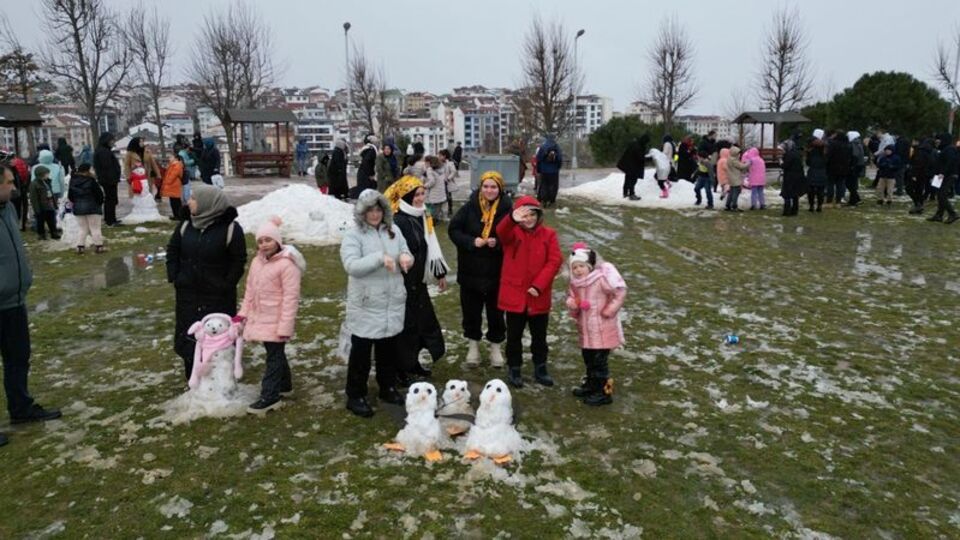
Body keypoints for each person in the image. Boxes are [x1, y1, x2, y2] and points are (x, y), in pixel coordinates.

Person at [0, 163, 62, 447]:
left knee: (18, 357)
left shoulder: (8, 210)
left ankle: (21, 408)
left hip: (14, 301)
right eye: (8, 182)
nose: (13, 187)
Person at [340, 189, 413, 417]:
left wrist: (405, 259)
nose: (375, 214)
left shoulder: (394, 230)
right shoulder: (354, 235)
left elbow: (405, 251)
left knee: (388, 348)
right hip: (366, 303)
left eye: (378, 209)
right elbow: (351, 266)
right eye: (370, 210)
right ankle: (355, 394)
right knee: (361, 350)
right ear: (362, 213)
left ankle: (387, 387)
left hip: (391, 301)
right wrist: (379, 259)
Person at [166, 184, 247, 381]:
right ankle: (192, 378)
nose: (189, 202)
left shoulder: (230, 229)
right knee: (190, 334)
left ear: (207, 204)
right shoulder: (186, 225)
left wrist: (226, 284)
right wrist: (175, 277)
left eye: (193, 198)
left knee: (218, 336)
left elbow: (238, 260)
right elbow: (173, 250)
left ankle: (220, 380)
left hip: (217, 295)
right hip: (188, 293)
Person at [235, 216, 305, 414]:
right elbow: (250, 291)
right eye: (260, 241)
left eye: (268, 240)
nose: (264, 245)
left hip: (276, 320)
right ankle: (285, 385)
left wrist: (285, 327)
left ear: (277, 241)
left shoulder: (287, 265)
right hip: (261, 317)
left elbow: (291, 299)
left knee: (273, 357)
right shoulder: (257, 262)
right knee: (275, 353)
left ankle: (270, 395)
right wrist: (242, 314)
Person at [385, 176, 450, 386]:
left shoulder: (422, 215)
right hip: (401, 282)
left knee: (420, 324)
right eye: (417, 195)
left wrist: (439, 273)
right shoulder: (399, 220)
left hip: (417, 282)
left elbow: (431, 246)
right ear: (406, 196)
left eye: (423, 194)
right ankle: (399, 369)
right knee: (404, 326)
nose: (421, 198)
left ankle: (412, 362)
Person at [497, 195, 562, 388]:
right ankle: (514, 367)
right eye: (524, 215)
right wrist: (511, 219)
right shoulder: (512, 233)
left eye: (532, 214)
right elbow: (501, 232)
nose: (529, 219)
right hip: (514, 295)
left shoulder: (549, 235)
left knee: (539, 336)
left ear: (538, 215)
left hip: (538, 296)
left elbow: (554, 261)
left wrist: (539, 285)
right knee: (514, 336)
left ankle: (540, 367)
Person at [448, 171, 512, 369]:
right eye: (486, 186)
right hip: (470, 270)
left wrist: (498, 243)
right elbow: (453, 230)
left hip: (497, 272)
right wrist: (471, 241)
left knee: (496, 313)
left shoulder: (508, 210)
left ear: (500, 189)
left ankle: (495, 348)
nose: (489, 190)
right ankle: (473, 346)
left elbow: (515, 237)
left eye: (493, 187)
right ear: (480, 187)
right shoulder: (469, 207)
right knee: (471, 312)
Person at [564, 242, 626, 406]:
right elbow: (571, 297)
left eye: (581, 266)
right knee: (589, 359)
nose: (578, 270)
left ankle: (603, 393)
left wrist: (608, 311)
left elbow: (618, 293)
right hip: (586, 329)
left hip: (602, 328)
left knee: (599, 362)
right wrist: (573, 304)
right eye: (574, 267)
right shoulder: (575, 284)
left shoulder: (600, 280)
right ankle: (591, 386)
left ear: (589, 266)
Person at [67, 163, 105, 254]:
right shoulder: (91, 181)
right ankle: (99, 247)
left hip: (79, 208)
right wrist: (99, 204)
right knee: (95, 228)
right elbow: (99, 195)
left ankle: (80, 247)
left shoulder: (72, 181)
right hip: (93, 207)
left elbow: (70, 196)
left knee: (82, 228)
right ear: (87, 170)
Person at [927, 132, 959, 224]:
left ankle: (952, 213)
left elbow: (949, 162)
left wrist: (942, 173)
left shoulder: (950, 149)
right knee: (939, 194)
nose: (937, 141)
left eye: (939, 139)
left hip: (948, 175)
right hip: (942, 175)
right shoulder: (944, 149)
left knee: (942, 195)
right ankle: (939, 215)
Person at [93, 132, 122, 226]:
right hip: (108, 180)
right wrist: (112, 178)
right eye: (112, 140)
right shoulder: (103, 152)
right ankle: (110, 220)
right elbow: (107, 167)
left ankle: (111, 218)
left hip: (109, 179)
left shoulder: (104, 150)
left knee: (111, 200)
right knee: (110, 200)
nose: (113, 142)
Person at [27, 166, 59, 240]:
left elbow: (51, 192)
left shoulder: (47, 181)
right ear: (41, 174)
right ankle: (41, 234)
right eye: (46, 174)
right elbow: (33, 198)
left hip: (49, 204)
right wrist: (37, 209)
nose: (48, 175)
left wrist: (54, 204)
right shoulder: (34, 184)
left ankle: (54, 232)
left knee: (51, 219)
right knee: (40, 221)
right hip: (41, 206)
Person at [908, 138, 936, 215]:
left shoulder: (920, 151)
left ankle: (918, 204)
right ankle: (919, 205)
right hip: (926, 174)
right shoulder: (931, 151)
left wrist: (914, 174)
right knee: (920, 190)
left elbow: (918, 163)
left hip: (918, 173)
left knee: (910, 188)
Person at [617, 134, 649, 201]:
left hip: (628, 165)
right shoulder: (638, 147)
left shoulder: (635, 144)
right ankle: (632, 194)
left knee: (627, 179)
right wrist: (649, 158)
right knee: (633, 180)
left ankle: (625, 193)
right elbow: (640, 158)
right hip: (633, 166)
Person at [779, 138, 806, 217]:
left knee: (787, 195)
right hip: (798, 177)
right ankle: (794, 211)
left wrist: (781, 162)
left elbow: (785, 166)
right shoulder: (797, 154)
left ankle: (786, 211)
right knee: (795, 195)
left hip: (789, 177)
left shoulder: (789, 155)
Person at [535, 135, 562, 207]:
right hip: (554, 171)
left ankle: (544, 200)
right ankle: (551, 200)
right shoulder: (557, 147)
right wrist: (558, 167)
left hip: (544, 170)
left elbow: (538, 159)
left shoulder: (542, 147)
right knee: (553, 186)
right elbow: (559, 158)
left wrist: (538, 169)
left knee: (544, 185)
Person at [825, 130, 851, 207]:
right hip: (844, 168)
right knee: (841, 184)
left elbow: (828, 155)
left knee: (830, 184)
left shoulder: (833, 144)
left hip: (832, 167)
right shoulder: (848, 145)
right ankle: (838, 201)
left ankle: (829, 201)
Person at [806, 136, 828, 212]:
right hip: (822, 172)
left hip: (812, 172)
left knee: (811, 191)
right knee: (821, 191)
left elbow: (808, 162)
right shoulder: (824, 152)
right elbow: (827, 162)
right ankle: (819, 206)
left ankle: (811, 206)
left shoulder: (810, 151)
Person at [160, 151, 185, 219]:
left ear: (175, 158)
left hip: (174, 185)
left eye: (171, 157)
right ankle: (176, 215)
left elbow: (173, 175)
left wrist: (167, 182)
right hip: (172, 185)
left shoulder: (177, 165)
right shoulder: (173, 165)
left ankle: (179, 215)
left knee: (176, 201)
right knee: (173, 201)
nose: (169, 158)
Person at [423, 155, 449, 221]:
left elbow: (432, 181)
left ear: (429, 162)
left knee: (429, 207)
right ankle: (441, 218)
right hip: (441, 192)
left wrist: (424, 186)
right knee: (440, 207)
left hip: (433, 193)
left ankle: (430, 219)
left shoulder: (430, 170)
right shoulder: (441, 169)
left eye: (425, 162)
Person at [724, 146, 749, 212]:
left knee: (731, 192)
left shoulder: (729, 159)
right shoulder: (734, 160)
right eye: (738, 153)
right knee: (736, 192)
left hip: (731, 179)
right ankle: (734, 206)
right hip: (736, 179)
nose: (739, 154)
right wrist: (748, 163)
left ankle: (728, 205)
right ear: (735, 153)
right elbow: (742, 166)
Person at [846, 131, 865, 207]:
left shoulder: (854, 144)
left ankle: (854, 200)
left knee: (850, 184)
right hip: (858, 166)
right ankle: (855, 199)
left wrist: (851, 165)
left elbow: (855, 156)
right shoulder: (858, 143)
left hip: (855, 166)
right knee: (852, 184)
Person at [438, 149, 457, 216]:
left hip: (447, 183)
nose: (439, 157)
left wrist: (448, 179)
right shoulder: (438, 163)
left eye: (440, 155)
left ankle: (450, 209)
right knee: (441, 197)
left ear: (444, 156)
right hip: (440, 183)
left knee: (448, 196)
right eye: (439, 155)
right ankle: (441, 211)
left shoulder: (450, 163)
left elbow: (453, 172)